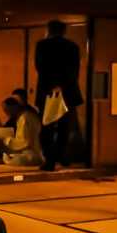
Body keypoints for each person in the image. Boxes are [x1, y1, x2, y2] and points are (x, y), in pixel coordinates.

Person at [35, 19, 83, 171]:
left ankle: (50, 161)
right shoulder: (72, 47)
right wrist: (63, 85)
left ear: (49, 30)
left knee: (47, 126)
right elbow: (75, 70)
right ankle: (64, 158)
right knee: (65, 127)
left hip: (48, 91)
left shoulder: (42, 45)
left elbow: (40, 67)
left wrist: (52, 85)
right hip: (68, 91)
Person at [1, 97, 44, 167]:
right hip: (32, 151)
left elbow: (25, 142)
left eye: (7, 110)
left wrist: (7, 140)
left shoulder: (25, 118)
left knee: (11, 159)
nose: (7, 113)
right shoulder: (24, 117)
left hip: (35, 153)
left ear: (14, 107)